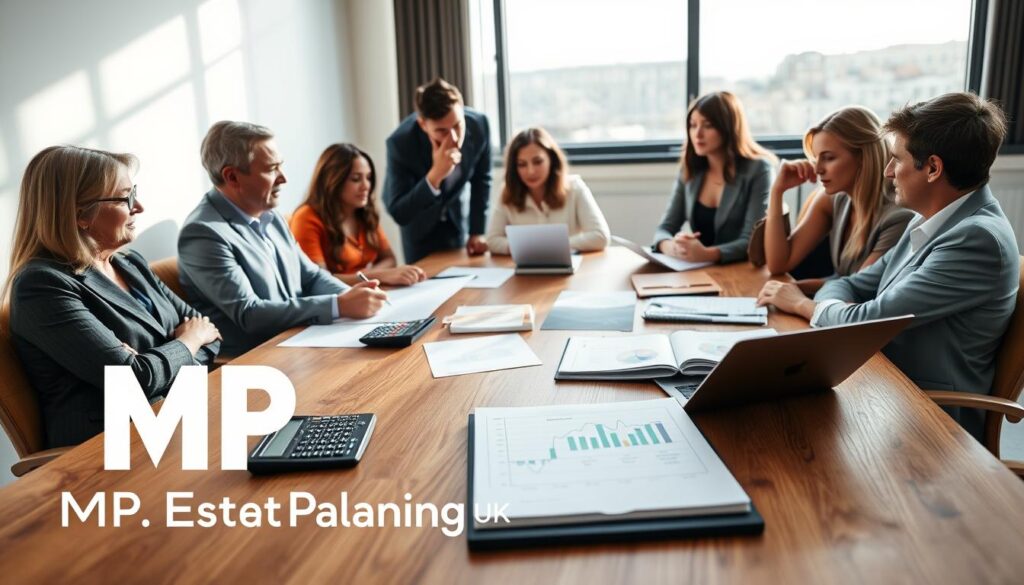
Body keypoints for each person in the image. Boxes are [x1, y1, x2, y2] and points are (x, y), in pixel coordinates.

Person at [757, 92, 1020, 439]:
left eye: (897, 159)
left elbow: (867, 321)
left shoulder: (976, 240)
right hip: (885, 387)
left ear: (933, 168)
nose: (888, 171)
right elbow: (852, 283)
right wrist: (836, 300)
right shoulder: (930, 218)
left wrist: (802, 304)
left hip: (931, 421)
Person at [4, 146, 220, 448]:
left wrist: (154, 361)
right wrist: (187, 341)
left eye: (135, 192)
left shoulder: (130, 263)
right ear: (80, 214)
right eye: (125, 197)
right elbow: (134, 380)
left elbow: (211, 334)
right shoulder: (42, 286)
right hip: (110, 449)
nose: (140, 206)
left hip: (175, 421)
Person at [178, 121, 387, 356]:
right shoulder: (203, 233)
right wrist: (339, 305)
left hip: (302, 339)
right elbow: (250, 314)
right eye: (271, 169)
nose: (283, 178)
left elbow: (311, 276)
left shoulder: (271, 215)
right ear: (232, 177)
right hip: (259, 356)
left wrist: (351, 296)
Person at [763, 107, 914, 293]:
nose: (817, 169)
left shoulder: (898, 219)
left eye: (829, 158)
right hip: (830, 302)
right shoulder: (832, 200)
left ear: (863, 157)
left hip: (855, 315)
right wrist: (777, 191)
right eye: (816, 158)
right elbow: (778, 263)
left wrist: (792, 288)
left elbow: (858, 288)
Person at [653, 91, 775, 264]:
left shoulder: (759, 170)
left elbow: (751, 240)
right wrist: (672, 246)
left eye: (708, 125)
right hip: (700, 270)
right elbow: (664, 229)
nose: (697, 134)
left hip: (743, 270)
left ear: (728, 128)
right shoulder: (690, 170)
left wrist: (707, 254)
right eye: (693, 125)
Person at [383, 78, 492, 263]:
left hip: (457, 227)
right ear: (423, 125)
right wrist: (435, 176)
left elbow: (482, 179)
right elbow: (399, 211)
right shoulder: (401, 143)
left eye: (457, 125)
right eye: (441, 131)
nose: (455, 138)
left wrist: (477, 231)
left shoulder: (480, 125)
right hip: (420, 235)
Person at [290, 143, 425, 286]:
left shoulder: (363, 212)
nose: (366, 186)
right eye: (356, 179)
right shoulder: (306, 218)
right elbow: (318, 281)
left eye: (368, 177)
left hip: (365, 291)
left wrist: (373, 277)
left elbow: (389, 259)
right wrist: (380, 275)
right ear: (332, 181)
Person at [485, 127, 610, 254]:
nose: (530, 171)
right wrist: (531, 248)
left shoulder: (575, 188)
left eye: (538, 162)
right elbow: (492, 240)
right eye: (522, 164)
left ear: (552, 159)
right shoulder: (508, 192)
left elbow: (600, 236)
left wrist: (548, 247)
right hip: (525, 269)